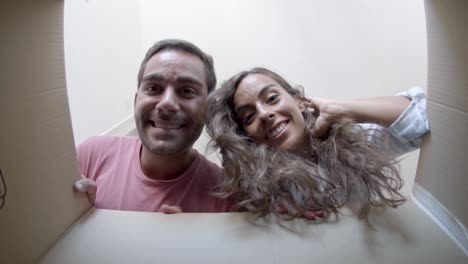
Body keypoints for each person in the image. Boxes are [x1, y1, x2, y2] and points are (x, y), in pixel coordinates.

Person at [205, 67, 429, 220]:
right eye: (249, 117)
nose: (264, 114)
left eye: (272, 98)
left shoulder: (350, 142)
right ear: (247, 136)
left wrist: (339, 109)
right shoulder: (252, 185)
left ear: (300, 102)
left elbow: (423, 118)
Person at [74, 39, 231, 213]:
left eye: (187, 90)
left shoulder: (226, 195)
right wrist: (82, 215)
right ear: (136, 101)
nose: (167, 103)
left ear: (209, 109)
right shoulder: (90, 156)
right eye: (153, 88)